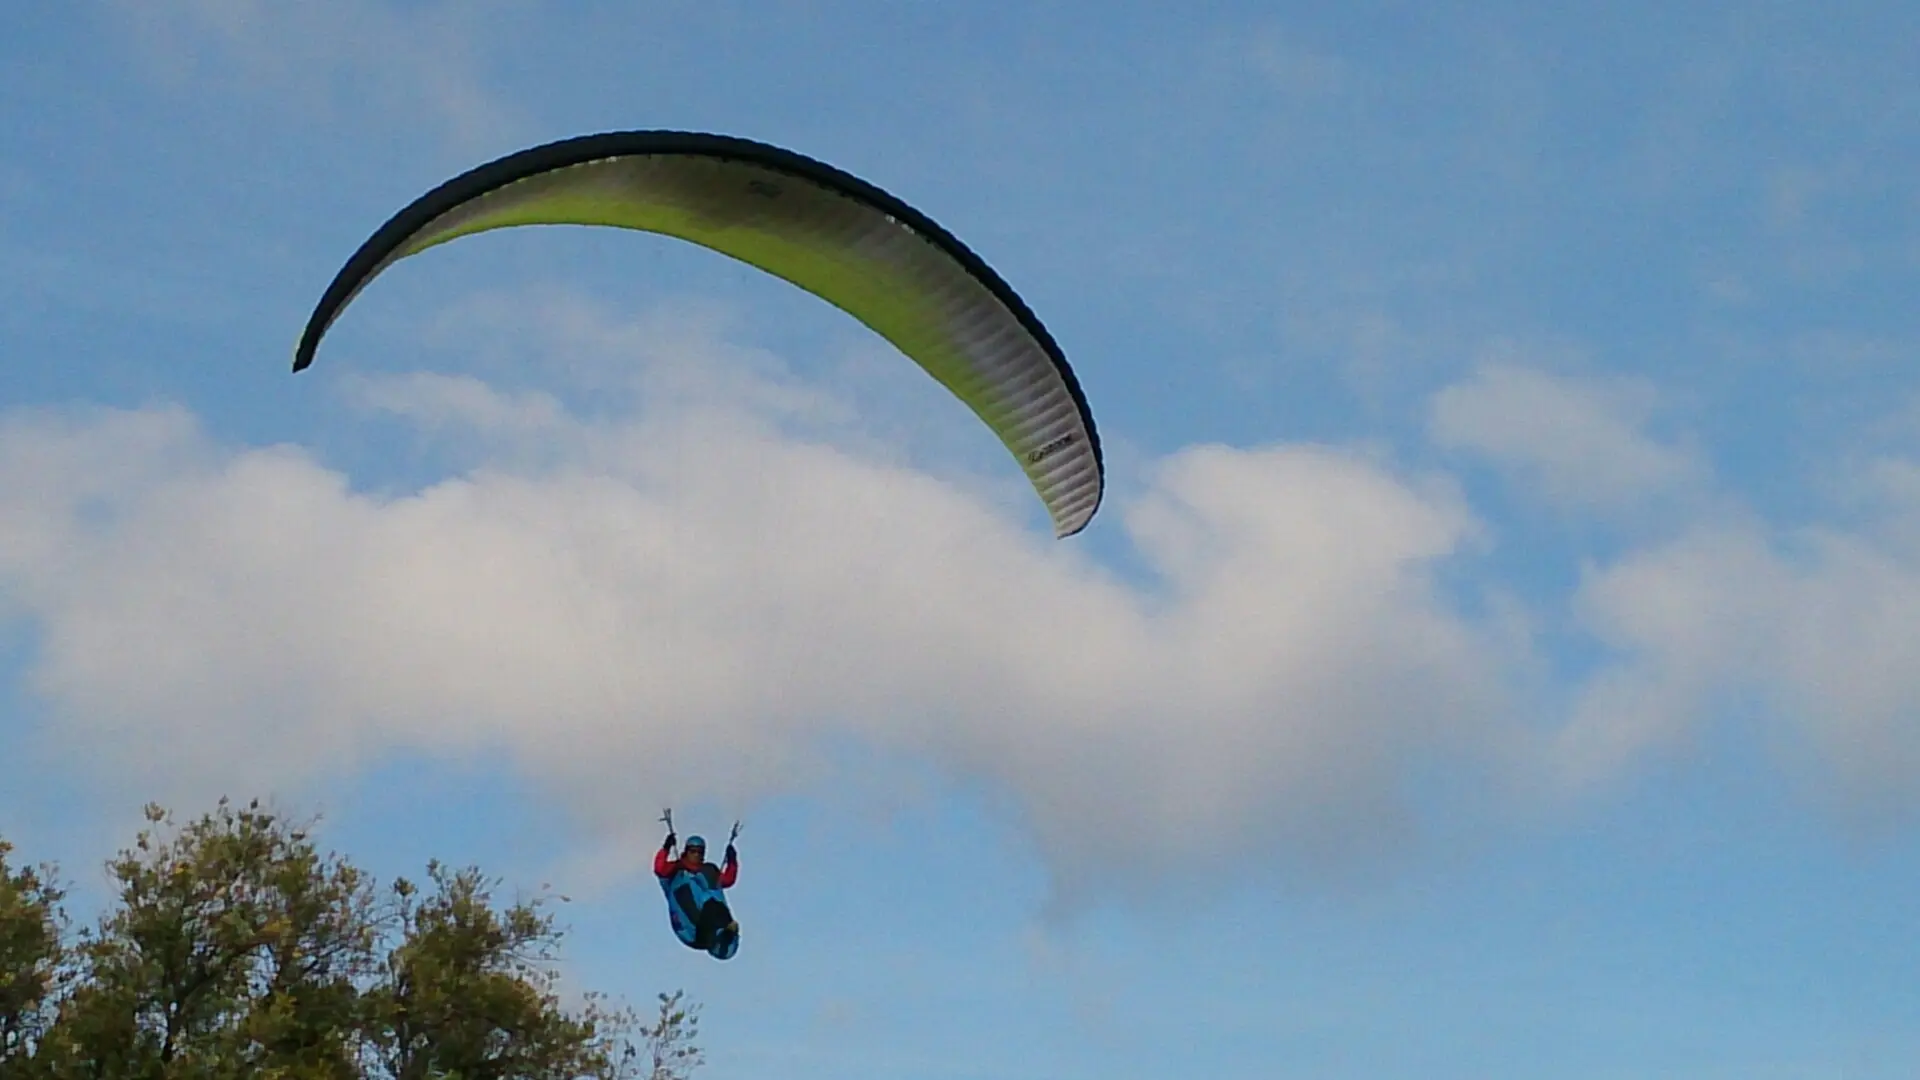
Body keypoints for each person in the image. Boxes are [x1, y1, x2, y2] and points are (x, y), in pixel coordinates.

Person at [655, 827, 740, 959]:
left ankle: (724, 934)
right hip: (691, 928)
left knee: (714, 905)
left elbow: (727, 880)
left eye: (700, 852)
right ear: (686, 851)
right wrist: (666, 848)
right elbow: (660, 869)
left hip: (711, 916)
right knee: (706, 904)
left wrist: (732, 861)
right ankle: (719, 934)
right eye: (693, 851)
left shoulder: (709, 871)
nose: (696, 855)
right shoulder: (677, 869)